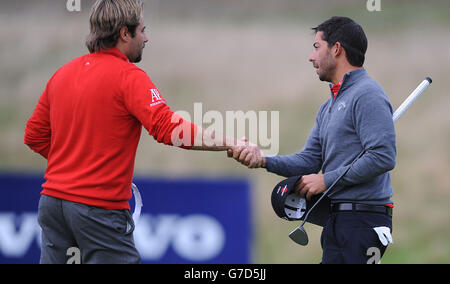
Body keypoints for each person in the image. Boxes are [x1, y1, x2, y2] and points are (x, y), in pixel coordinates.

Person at [24, 0, 246, 264]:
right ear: (124, 33)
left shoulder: (62, 74)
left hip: (52, 204)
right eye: (142, 30)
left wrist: (76, 164)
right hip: (97, 209)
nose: (146, 37)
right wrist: (229, 142)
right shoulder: (129, 77)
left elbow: (34, 135)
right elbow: (168, 128)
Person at [231, 16, 396, 264]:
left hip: (363, 223)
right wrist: (263, 159)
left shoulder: (368, 95)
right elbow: (308, 161)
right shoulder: (328, 106)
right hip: (338, 221)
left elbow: (382, 156)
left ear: (337, 49)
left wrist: (326, 180)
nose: (311, 56)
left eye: (317, 47)